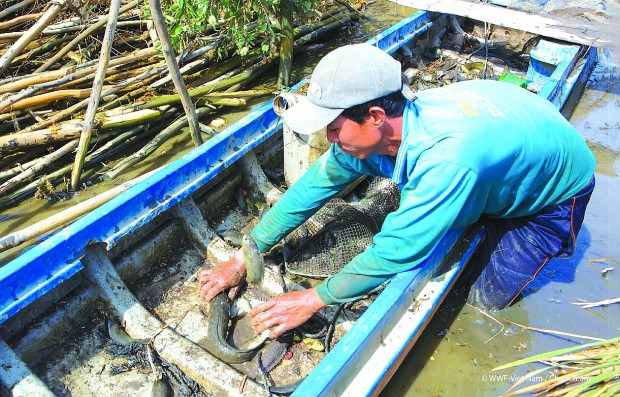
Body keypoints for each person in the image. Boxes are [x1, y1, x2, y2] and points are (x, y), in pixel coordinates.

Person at [198, 43, 596, 339]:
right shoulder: (372, 137)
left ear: (374, 117)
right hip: (504, 137)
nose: (328, 138)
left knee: (485, 304)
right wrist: (243, 255)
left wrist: (311, 300)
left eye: (334, 128)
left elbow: (397, 250)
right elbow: (312, 189)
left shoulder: (444, 162)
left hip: (553, 194)